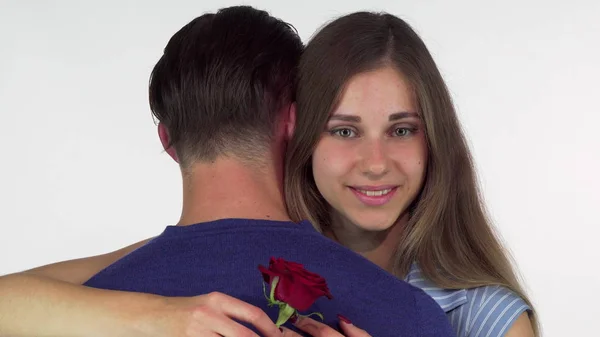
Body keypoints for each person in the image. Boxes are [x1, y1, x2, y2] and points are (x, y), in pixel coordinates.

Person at [0, 8, 538, 337]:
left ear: (166, 141)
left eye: (402, 129)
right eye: (345, 129)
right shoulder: (415, 319)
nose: (375, 162)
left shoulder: (65, 313)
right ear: (293, 121)